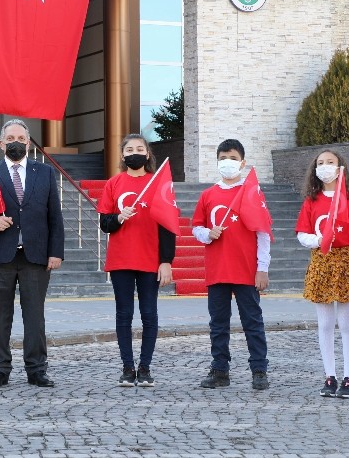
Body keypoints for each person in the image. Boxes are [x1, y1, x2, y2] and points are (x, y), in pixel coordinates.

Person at [0, 119, 64, 389]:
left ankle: (37, 370)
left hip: (35, 257)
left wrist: (56, 252)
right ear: (0, 144)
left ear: (29, 143)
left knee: (35, 317)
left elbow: (54, 217)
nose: (16, 142)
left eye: (21, 138)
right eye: (10, 138)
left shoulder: (44, 173)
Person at [190, 139, 271, 391]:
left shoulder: (251, 193)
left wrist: (262, 268)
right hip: (217, 270)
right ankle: (220, 369)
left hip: (246, 270)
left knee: (252, 322)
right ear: (217, 161)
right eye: (224, 157)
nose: (228, 162)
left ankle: (259, 369)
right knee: (218, 323)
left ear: (243, 163)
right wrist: (207, 233)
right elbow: (196, 227)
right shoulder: (208, 195)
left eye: (233, 158)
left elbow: (263, 233)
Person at [97, 134, 174, 387]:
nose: (134, 153)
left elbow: (168, 225)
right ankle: (128, 368)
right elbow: (105, 224)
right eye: (129, 149)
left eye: (140, 148)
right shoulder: (114, 183)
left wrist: (166, 261)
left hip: (150, 259)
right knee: (124, 315)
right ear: (122, 156)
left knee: (149, 314)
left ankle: (145, 367)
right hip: (121, 259)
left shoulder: (157, 183)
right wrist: (119, 217)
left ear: (148, 154)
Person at [295, 150, 349, 399]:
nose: (325, 166)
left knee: (347, 323)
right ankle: (330, 375)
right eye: (320, 163)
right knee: (325, 324)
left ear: (340, 168)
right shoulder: (311, 200)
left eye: (330, 162)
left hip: (347, 261)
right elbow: (301, 233)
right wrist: (319, 239)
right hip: (321, 260)